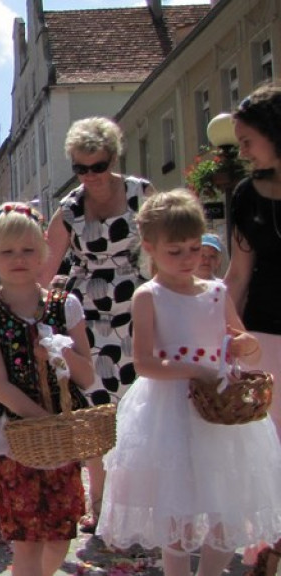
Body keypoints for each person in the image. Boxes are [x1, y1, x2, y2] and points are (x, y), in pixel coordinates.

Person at [97, 190, 281, 576]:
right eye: (175, 251)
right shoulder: (150, 295)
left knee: (223, 506)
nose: (187, 260)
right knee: (175, 512)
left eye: (194, 249)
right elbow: (145, 362)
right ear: (149, 247)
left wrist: (244, 346)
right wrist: (194, 369)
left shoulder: (216, 293)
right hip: (169, 411)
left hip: (219, 412)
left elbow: (240, 342)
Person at [0, 202, 95, 576]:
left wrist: (60, 354)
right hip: (16, 441)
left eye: (28, 249)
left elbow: (87, 375)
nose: (19, 258)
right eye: (7, 251)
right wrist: (42, 422)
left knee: (59, 538)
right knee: (27, 542)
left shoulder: (66, 306)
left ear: (44, 252)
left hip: (62, 442)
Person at [40, 116, 154, 533]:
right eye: (80, 169)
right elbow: (45, 266)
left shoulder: (141, 194)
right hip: (87, 318)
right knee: (95, 409)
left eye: (98, 167)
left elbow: (162, 247)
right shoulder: (69, 209)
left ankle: (141, 500)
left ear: (113, 158)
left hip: (138, 310)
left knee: (140, 404)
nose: (90, 177)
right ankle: (100, 501)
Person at [227, 84, 281, 438]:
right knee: (269, 442)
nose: (242, 152)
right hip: (264, 334)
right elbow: (238, 276)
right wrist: (219, 336)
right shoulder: (246, 195)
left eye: (247, 140)